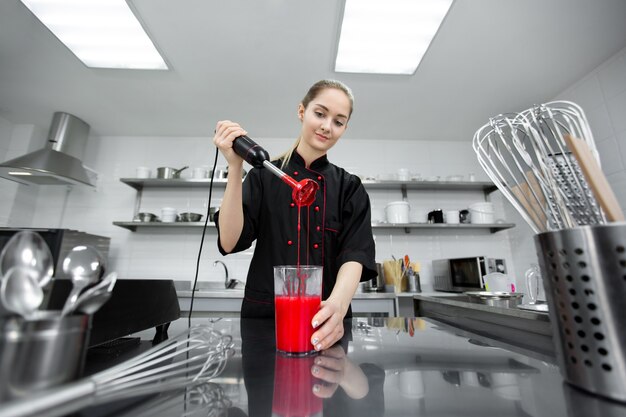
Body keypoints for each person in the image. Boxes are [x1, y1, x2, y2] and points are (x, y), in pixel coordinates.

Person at [212, 79, 376, 351]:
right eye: (320, 113)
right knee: (268, 393)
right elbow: (230, 241)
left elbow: (355, 253)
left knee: (328, 392)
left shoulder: (349, 187)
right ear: (302, 112)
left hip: (325, 321)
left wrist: (337, 305)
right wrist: (234, 166)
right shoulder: (263, 176)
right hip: (265, 320)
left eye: (338, 121)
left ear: (344, 128)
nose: (326, 126)